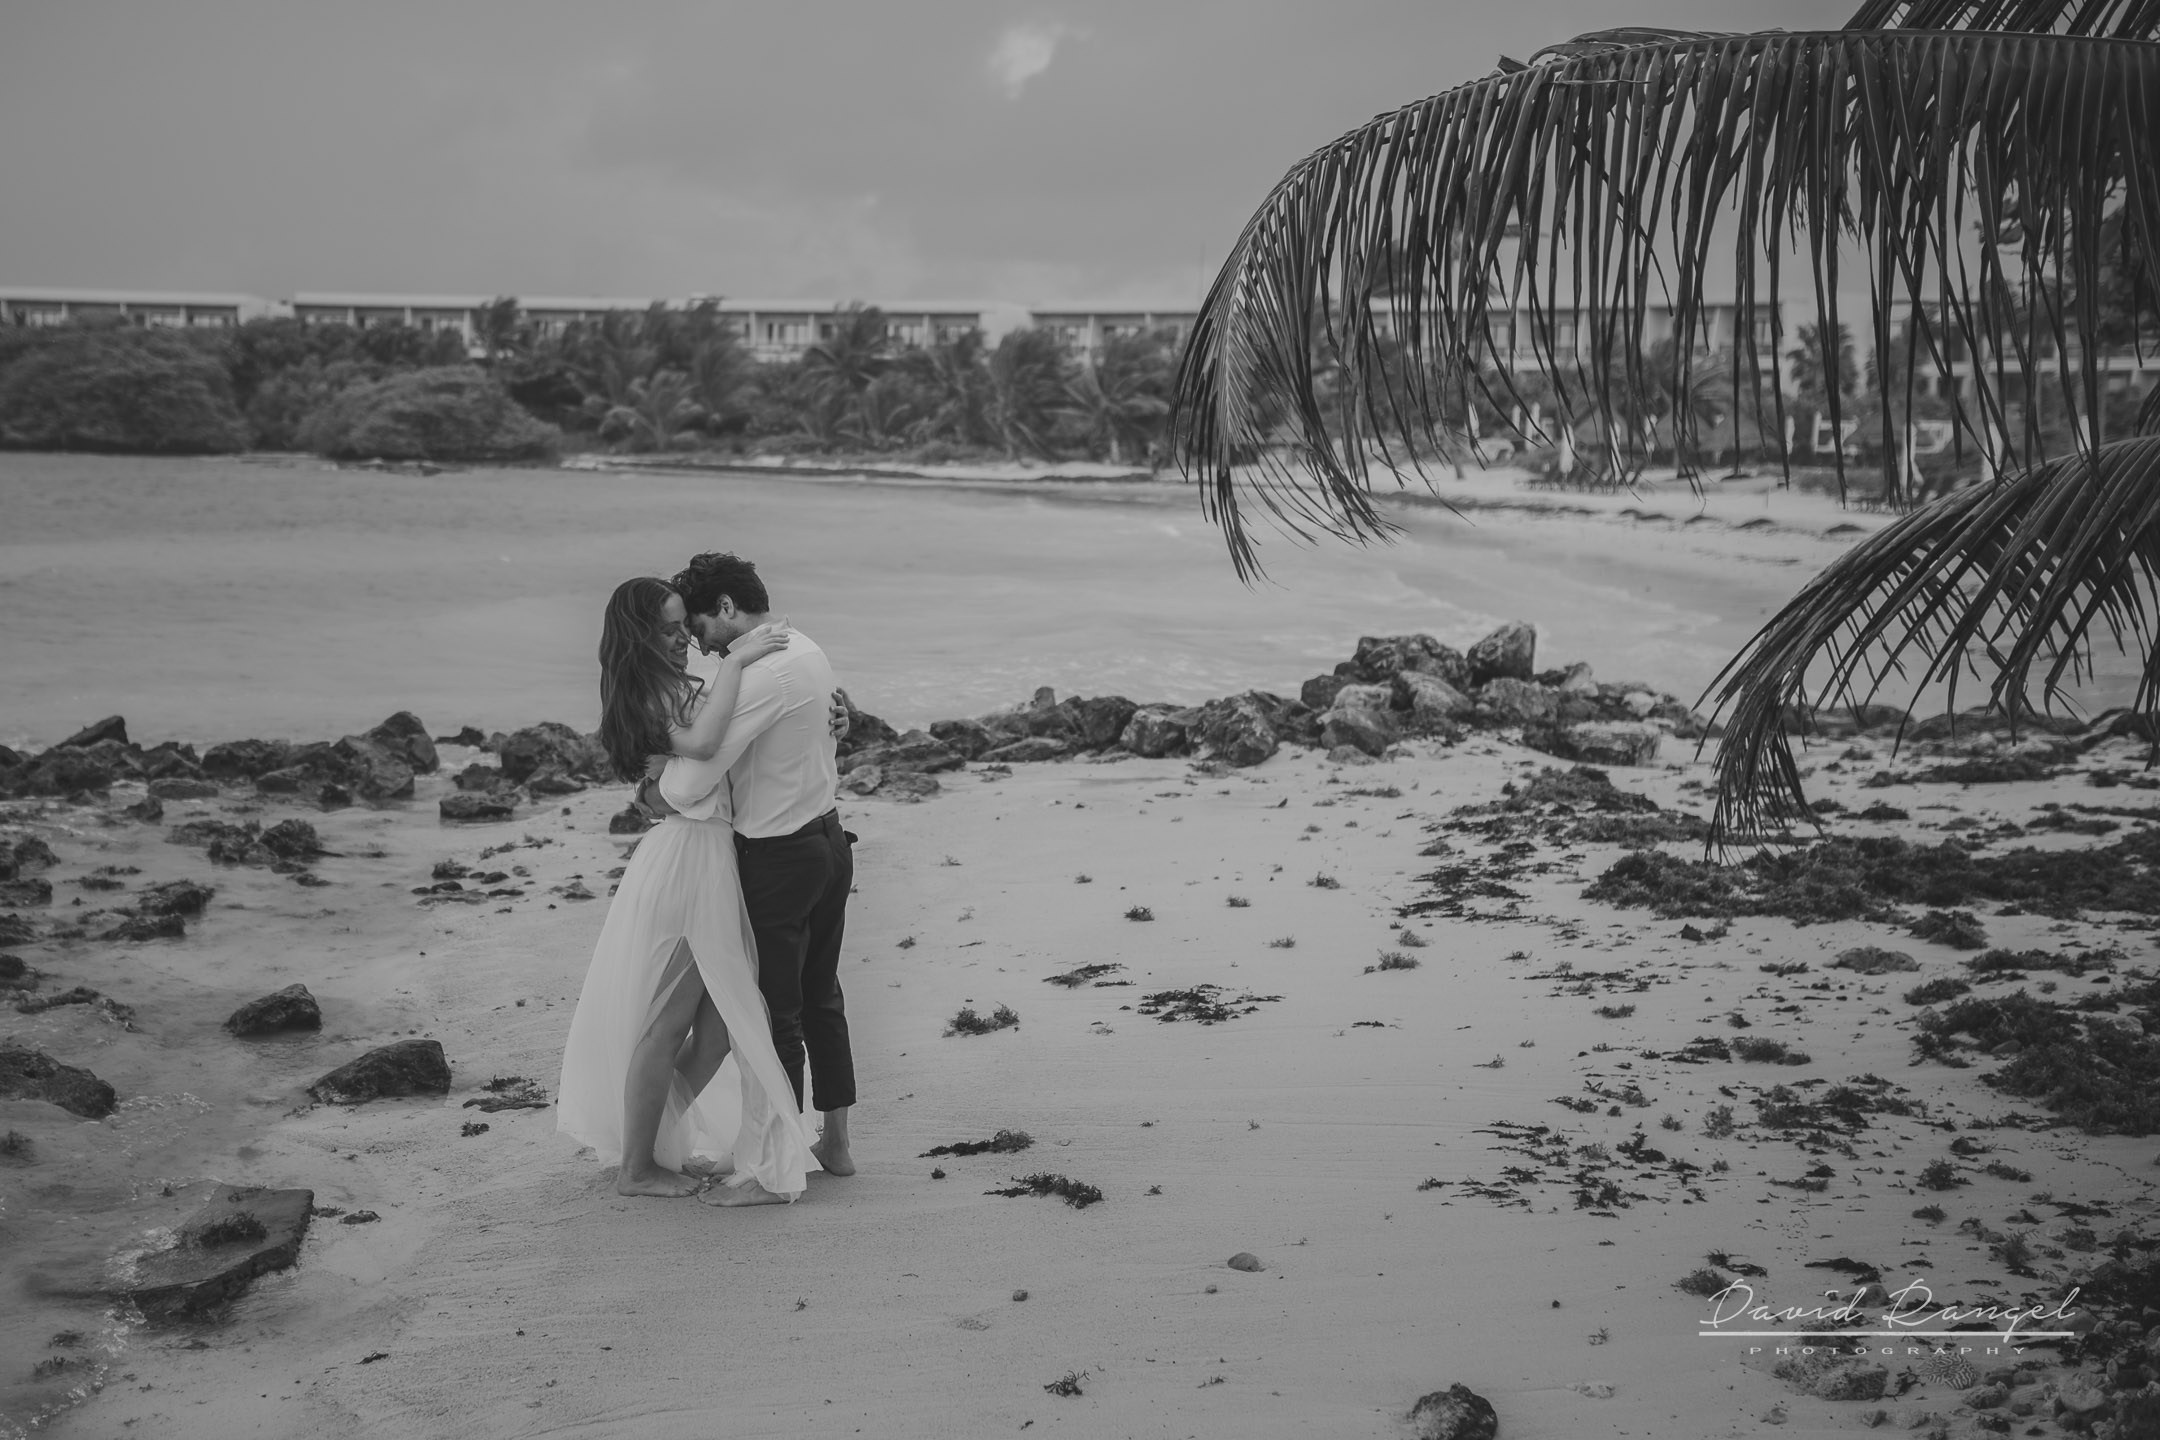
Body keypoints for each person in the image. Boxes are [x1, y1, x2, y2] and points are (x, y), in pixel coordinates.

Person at [555, 577, 817, 1204]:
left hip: (703, 855)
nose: (682, 640)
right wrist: (743, 660)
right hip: (688, 863)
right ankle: (637, 1167)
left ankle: (651, 1140)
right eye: (668, 629)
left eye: (682, 627)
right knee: (668, 1024)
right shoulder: (651, 690)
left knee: (718, 1031)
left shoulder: (675, 687)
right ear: (639, 635)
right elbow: (701, 746)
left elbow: (717, 749)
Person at [662, 552, 858, 1178]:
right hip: (829, 842)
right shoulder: (806, 648)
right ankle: (836, 1146)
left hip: (781, 858)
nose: (694, 641)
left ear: (725, 607)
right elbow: (811, 734)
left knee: (776, 1014)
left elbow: (693, 780)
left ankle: (774, 1168)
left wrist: (654, 781)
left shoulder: (761, 674)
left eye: (696, 625)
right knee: (822, 999)